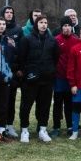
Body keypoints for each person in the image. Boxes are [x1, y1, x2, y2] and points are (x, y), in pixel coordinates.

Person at [16, 13, 57, 143]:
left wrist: (50, 71)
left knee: (44, 106)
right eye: (41, 23)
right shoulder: (27, 39)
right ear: (36, 24)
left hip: (47, 80)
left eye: (45, 23)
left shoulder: (52, 40)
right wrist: (26, 73)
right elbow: (21, 58)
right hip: (30, 80)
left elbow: (55, 58)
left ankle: (42, 130)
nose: (43, 25)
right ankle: (24, 130)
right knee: (26, 106)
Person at [52, 17, 80, 137]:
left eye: (68, 25)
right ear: (61, 27)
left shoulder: (76, 40)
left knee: (70, 103)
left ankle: (70, 126)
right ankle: (56, 127)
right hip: (59, 77)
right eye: (64, 26)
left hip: (71, 78)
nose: (67, 28)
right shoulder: (56, 40)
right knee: (58, 103)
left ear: (71, 27)